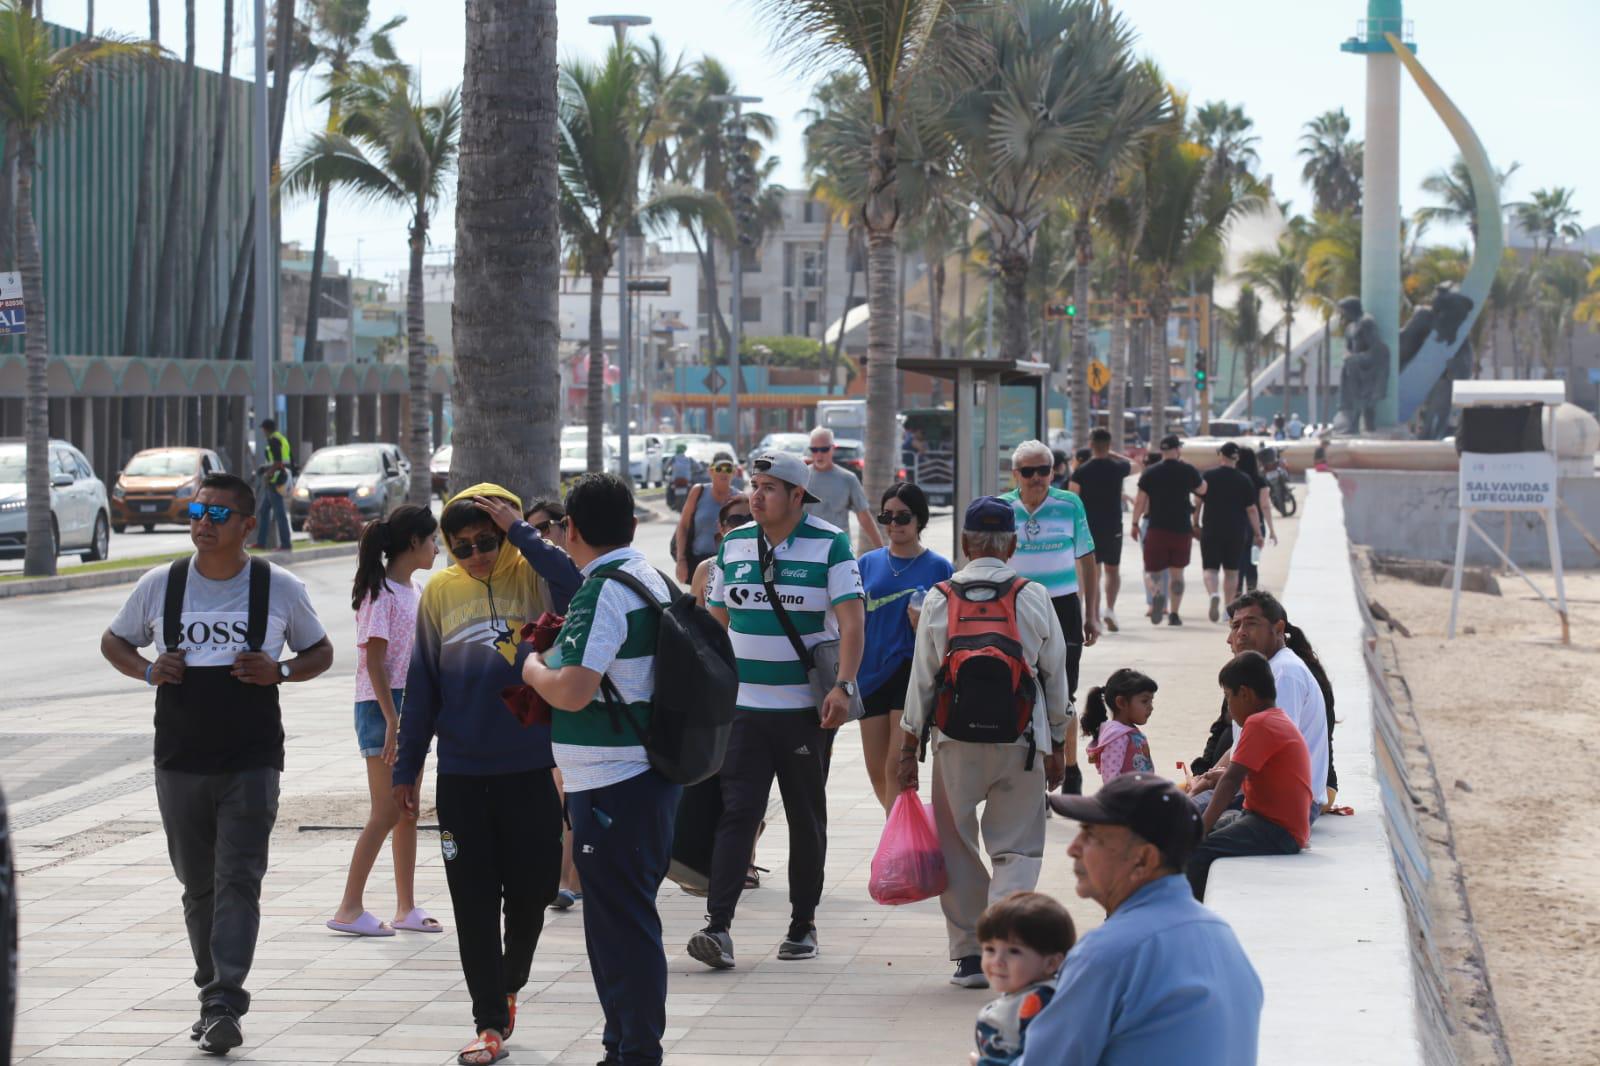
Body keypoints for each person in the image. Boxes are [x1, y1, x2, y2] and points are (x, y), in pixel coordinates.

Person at [99, 473, 333, 1055]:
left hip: (252, 759)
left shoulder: (277, 587)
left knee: (239, 880)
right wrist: (149, 670)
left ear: (248, 526)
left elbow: (321, 651)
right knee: (197, 886)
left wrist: (279, 670)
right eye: (198, 512)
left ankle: (226, 999)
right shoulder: (163, 584)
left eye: (218, 515)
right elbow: (115, 641)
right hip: (179, 758)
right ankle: (212, 993)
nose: (204, 523)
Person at [391, 484, 582, 1066]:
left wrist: (521, 530)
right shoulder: (439, 594)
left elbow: (577, 586)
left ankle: (509, 983)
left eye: (487, 540)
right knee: (472, 900)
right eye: (463, 544)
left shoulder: (533, 574)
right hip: (464, 775)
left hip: (530, 769)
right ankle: (489, 1022)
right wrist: (408, 766)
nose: (476, 553)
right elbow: (422, 686)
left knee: (534, 892)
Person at [523, 473, 682, 1066]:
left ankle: (635, 1051)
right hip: (639, 774)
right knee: (620, 919)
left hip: (616, 782)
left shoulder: (603, 590)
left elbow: (572, 690)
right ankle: (624, 1044)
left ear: (570, 531)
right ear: (633, 526)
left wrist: (532, 665)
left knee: (621, 924)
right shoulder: (649, 577)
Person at [689, 449, 864, 970]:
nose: (756, 495)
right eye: (754, 484)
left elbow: (852, 624)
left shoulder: (830, 545)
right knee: (738, 811)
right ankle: (717, 927)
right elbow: (715, 618)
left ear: (796, 495)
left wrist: (845, 686)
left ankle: (802, 923)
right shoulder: (735, 544)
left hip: (805, 712)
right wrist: (706, 683)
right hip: (745, 707)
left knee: (805, 816)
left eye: (768, 486)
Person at [898, 497, 1071, 989]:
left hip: (953, 741)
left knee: (955, 843)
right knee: (1017, 848)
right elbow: (1056, 675)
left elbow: (922, 680)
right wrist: (1058, 742)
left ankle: (973, 956)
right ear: (1013, 544)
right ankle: (1010, 944)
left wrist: (907, 748)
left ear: (966, 543)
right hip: (1022, 738)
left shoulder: (939, 596)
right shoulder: (1032, 594)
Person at [1022, 774, 1263, 1065]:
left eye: (1090, 835)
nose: (1073, 848)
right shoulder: (1220, 935)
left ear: (1143, 860)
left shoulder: (1110, 953)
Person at [327, 506, 443, 938]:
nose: (437, 548)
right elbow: (373, 662)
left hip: (408, 707)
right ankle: (349, 907)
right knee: (386, 810)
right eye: (433, 540)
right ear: (413, 542)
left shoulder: (415, 591)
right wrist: (393, 721)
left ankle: (406, 907)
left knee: (407, 809)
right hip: (383, 708)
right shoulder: (381, 595)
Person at [1001, 439, 1098, 793]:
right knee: (1024, 691)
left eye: (1044, 470)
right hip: (1017, 607)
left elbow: (1087, 558)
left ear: (1054, 471)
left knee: (1063, 694)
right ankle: (1035, 776)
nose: (1037, 478)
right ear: (1015, 475)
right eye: (1028, 472)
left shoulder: (1069, 504)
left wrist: (1092, 614)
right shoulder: (1001, 508)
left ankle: (1069, 767)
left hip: (1062, 606)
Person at [1187, 590, 1335, 815]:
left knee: (1177, 821)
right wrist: (1207, 776)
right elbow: (1239, 746)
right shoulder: (1261, 671)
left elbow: (1273, 753)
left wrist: (1216, 781)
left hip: (1280, 802)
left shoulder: (1284, 673)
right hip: (1256, 791)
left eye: (1250, 624)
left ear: (1278, 629)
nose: (1240, 634)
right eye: (1235, 626)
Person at [857, 483, 954, 810]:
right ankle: (898, 836)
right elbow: (851, 621)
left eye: (903, 517)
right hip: (869, 673)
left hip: (912, 673)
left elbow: (951, 628)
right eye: (887, 516)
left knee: (895, 767)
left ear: (920, 519)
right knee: (875, 772)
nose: (894, 524)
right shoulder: (867, 564)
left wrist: (922, 625)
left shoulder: (939, 568)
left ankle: (893, 853)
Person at [1186, 651, 1312, 900]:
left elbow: (1232, 781)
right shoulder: (1276, 718)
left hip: (1276, 830)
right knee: (1210, 823)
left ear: (1245, 693)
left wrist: (1203, 828)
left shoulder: (1259, 723)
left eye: (1228, 698)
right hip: (1276, 823)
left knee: (1198, 849)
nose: (1229, 711)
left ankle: (1192, 916)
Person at [525, 498, 584, 911]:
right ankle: (566, 876)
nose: (539, 539)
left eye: (543, 529)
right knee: (558, 787)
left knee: (570, 787)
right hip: (548, 693)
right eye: (531, 531)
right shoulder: (535, 579)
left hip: (579, 690)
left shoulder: (573, 572)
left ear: (567, 527)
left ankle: (571, 877)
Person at [972, 893, 1076, 1066]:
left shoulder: (1039, 1003)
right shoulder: (1027, 994)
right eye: (990, 949)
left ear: (1051, 963)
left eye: (1014, 951)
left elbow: (1039, 1059)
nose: (997, 961)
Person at [1129, 434, 1204, 626]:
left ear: (1162, 451)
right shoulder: (1188, 470)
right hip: (1181, 530)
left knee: (1151, 572)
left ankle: (1156, 593)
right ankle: (1174, 614)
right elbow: (1203, 490)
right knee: (1177, 575)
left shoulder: (1150, 473)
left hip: (1157, 528)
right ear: (1177, 450)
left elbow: (1140, 501)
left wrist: (1135, 524)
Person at [1069, 428, 1133, 632]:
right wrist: (1113, 453)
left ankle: (1094, 616)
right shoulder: (1118, 467)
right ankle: (1110, 609)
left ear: (1090, 444)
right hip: (1113, 525)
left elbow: (1072, 498)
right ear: (1109, 444)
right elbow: (1136, 465)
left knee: (1092, 573)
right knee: (1112, 570)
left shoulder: (1081, 471)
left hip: (1089, 527)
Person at [1196, 442, 1262, 624]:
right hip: (1236, 530)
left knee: (1210, 569)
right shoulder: (1244, 479)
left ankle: (1213, 594)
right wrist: (1258, 533)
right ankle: (1227, 609)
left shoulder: (1208, 476)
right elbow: (1252, 510)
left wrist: (1194, 522)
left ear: (1220, 456)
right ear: (1237, 458)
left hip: (1211, 528)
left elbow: (1198, 502)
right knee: (1232, 572)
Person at [803, 426, 883, 549]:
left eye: (824, 449)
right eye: (814, 449)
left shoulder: (848, 479)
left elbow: (864, 516)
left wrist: (882, 550)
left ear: (833, 449)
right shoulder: (801, 478)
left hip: (839, 549)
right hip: (808, 549)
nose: (819, 454)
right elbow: (787, 515)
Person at [675, 450, 741, 585]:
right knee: (698, 605)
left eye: (728, 469)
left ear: (734, 473)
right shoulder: (698, 491)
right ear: (711, 472)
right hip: (698, 562)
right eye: (719, 468)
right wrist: (681, 561)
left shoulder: (739, 498)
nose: (724, 472)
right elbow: (683, 527)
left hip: (727, 565)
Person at [1082, 668, 1158, 785]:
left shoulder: (1127, 732)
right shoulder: (1117, 737)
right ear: (1121, 702)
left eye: (1151, 701)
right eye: (1144, 701)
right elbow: (1111, 780)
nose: (1150, 707)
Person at [692, 494, 751, 606]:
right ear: (721, 528)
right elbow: (692, 619)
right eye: (736, 520)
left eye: (751, 519)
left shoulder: (770, 566)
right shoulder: (706, 569)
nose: (745, 526)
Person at [1234, 448, 1276, 593]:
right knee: (1253, 563)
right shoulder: (1260, 481)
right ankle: (1251, 595)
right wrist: (1271, 530)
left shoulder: (1236, 479)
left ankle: (1237, 595)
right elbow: (1265, 506)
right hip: (1257, 527)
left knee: (1237, 564)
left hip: (1237, 526)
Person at [252, 418, 292, 552]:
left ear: (266, 429)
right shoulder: (282, 439)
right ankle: (261, 542)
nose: (262, 431)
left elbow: (278, 462)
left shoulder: (273, 440)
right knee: (263, 511)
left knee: (279, 513)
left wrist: (267, 474)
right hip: (278, 479)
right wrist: (265, 468)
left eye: (263, 429)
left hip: (275, 481)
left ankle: (285, 544)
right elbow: (284, 461)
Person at [667, 443, 696, 512]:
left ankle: (671, 503)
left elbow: (665, 467)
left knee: (669, 490)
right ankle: (694, 505)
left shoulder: (673, 458)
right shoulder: (689, 459)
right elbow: (698, 467)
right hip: (687, 481)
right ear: (684, 450)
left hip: (674, 481)